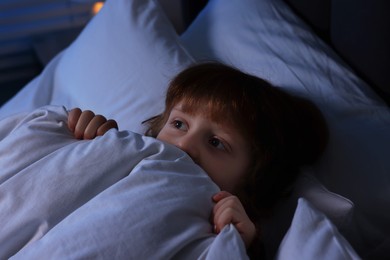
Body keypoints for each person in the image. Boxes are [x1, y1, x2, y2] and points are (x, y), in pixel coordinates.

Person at [67, 62, 328, 258]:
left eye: (216, 143)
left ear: (253, 179)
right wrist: (86, 144)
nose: (184, 145)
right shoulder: (122, 155)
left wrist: (240, 246)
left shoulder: (231, 231)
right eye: (179, 124)